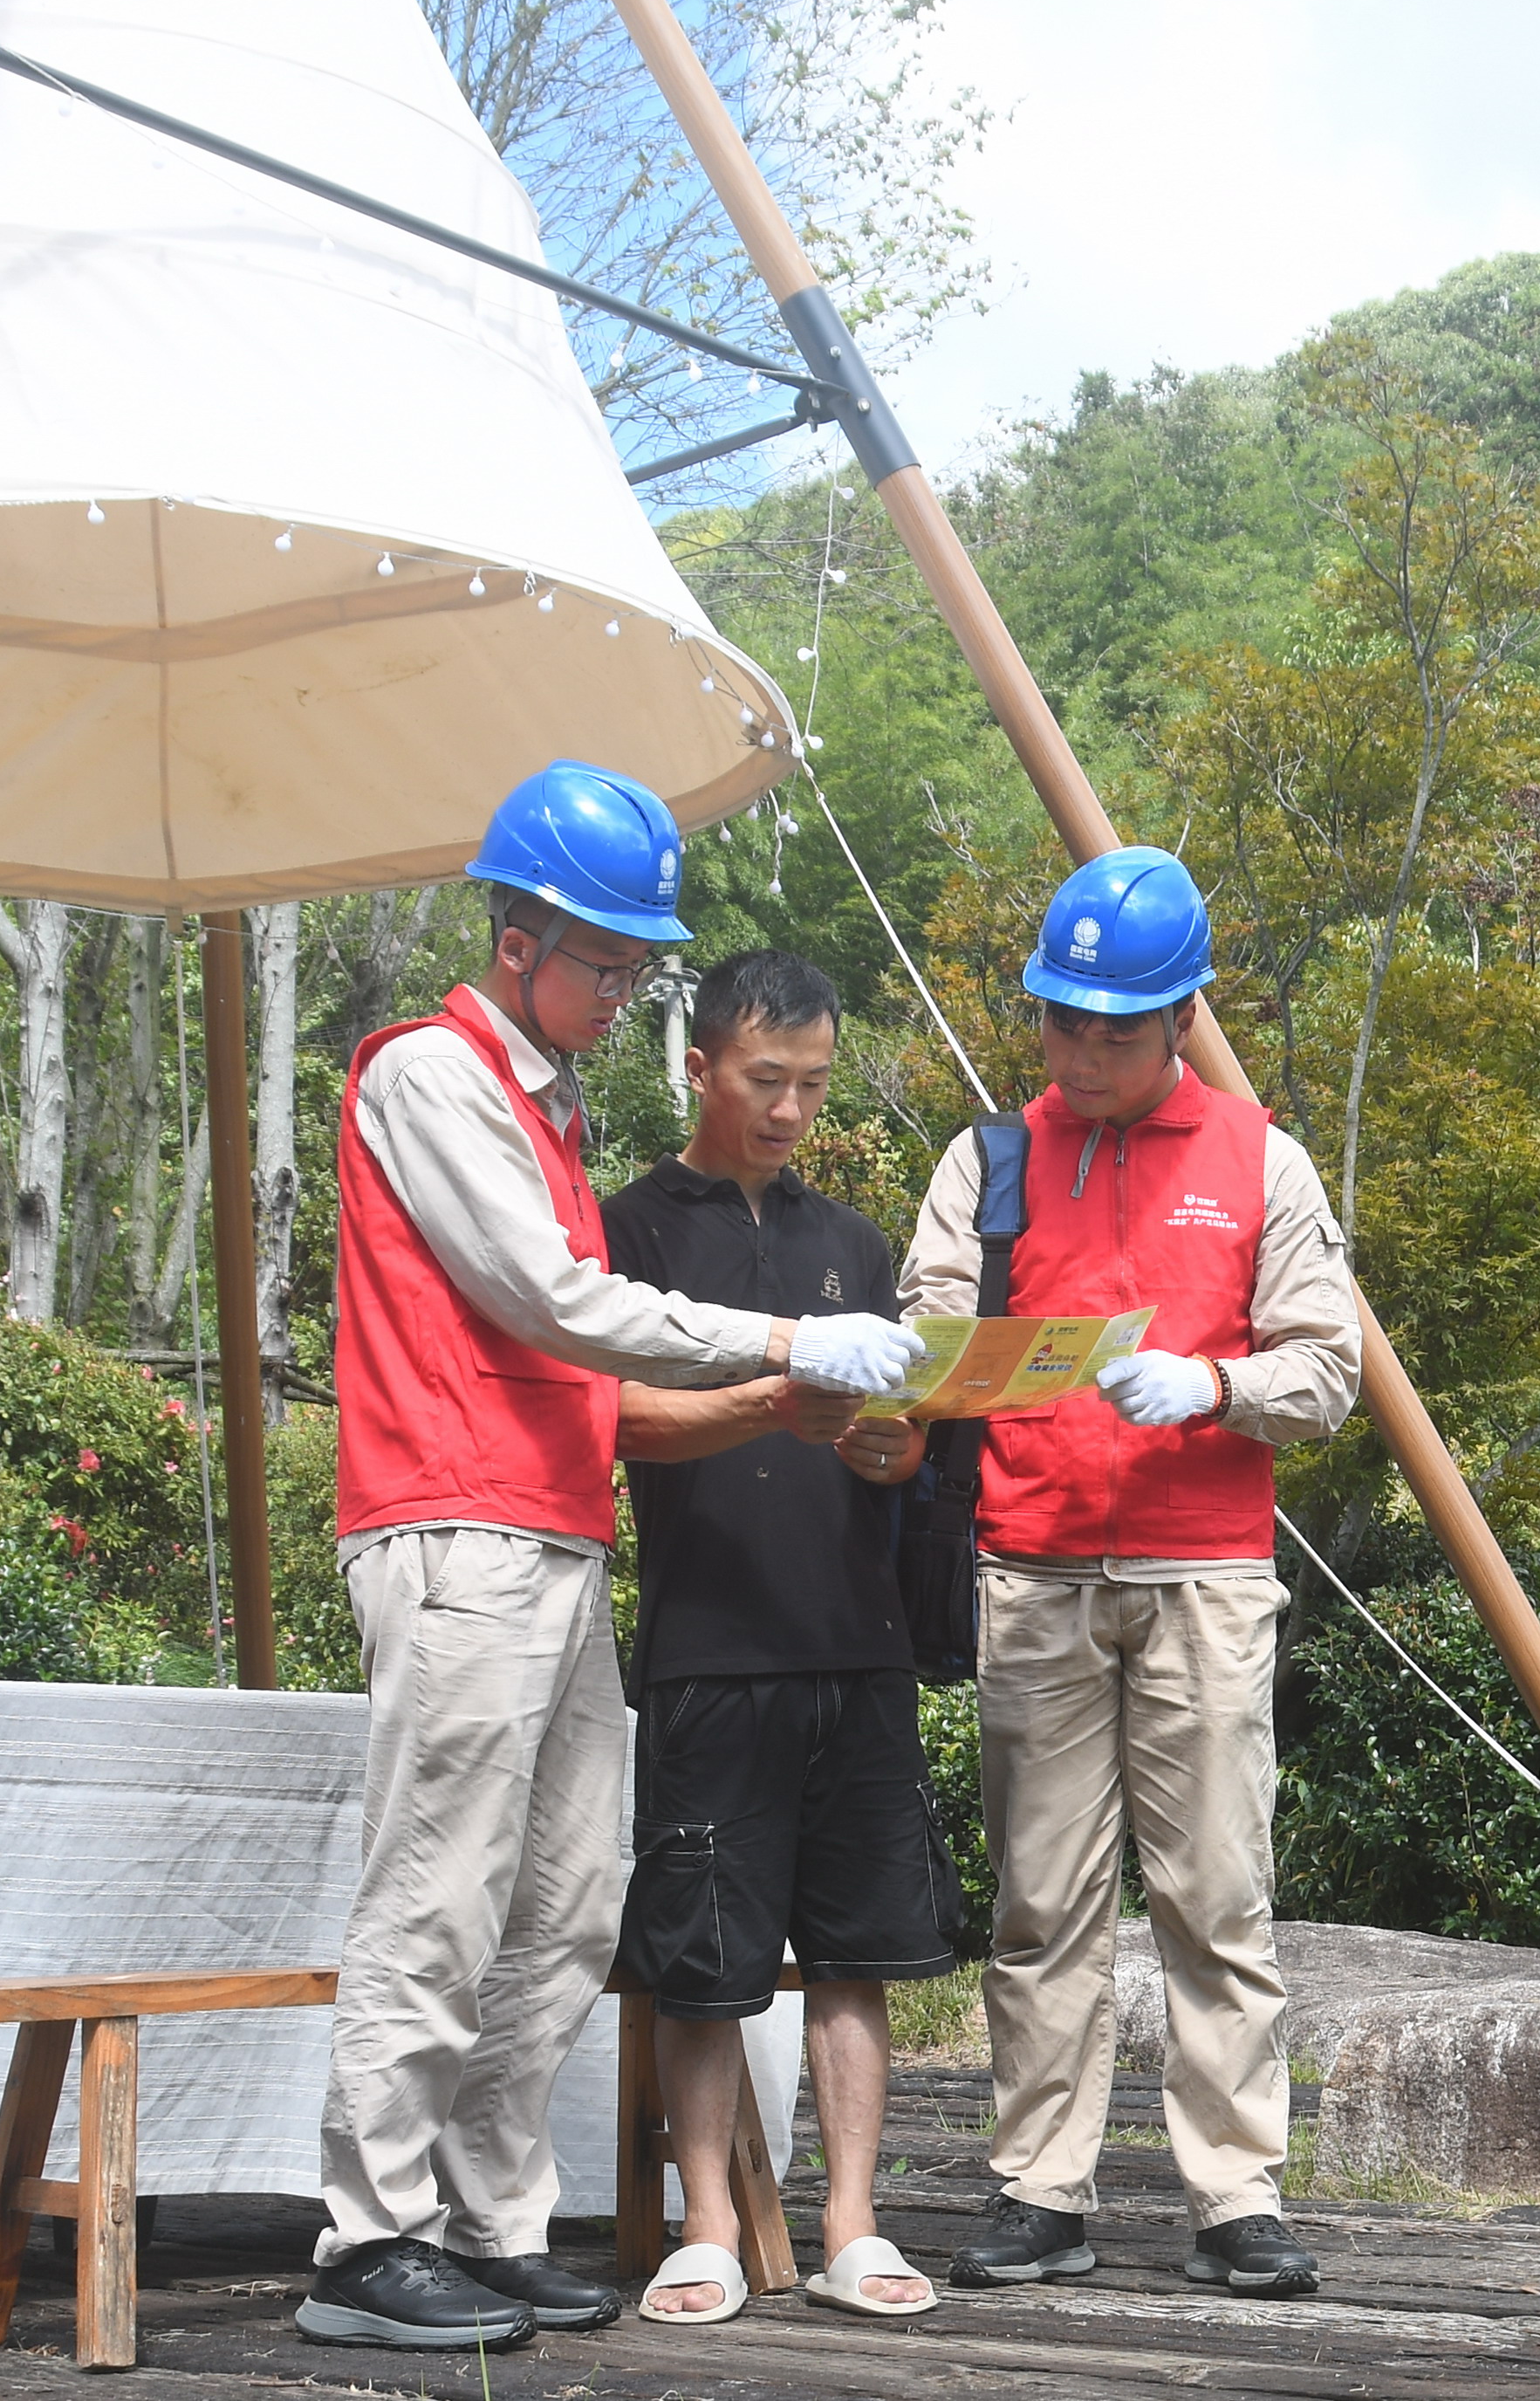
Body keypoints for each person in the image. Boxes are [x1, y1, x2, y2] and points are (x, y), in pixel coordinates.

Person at [300, 763, 922, 2350]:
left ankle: (494, 2221)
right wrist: (787, 1334)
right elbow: (553, 1303)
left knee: (569, 1905)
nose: (621, 989)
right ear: (520, 938)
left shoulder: (548, 1109)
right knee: (438, 1893)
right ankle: (369, 2236)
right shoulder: (430, 1075)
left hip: (557, 1529)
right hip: (454, 1520)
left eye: (640, 968)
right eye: (605, 963)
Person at [907, 847, 1359, 2299]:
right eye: (1063, 1021)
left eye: (1119, 1025)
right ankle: (1041, 2184)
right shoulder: (988, 1161)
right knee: (1040, 1899)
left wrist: (1216, 1385)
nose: (1086, 1050)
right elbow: (922, 1347)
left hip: (1202, 1571)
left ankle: (1234, 2190)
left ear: (1182, 1018)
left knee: (1216, 1892)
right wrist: (943, 1374)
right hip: (1032, 1569)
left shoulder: (1257, 1158)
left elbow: (1328, 1368)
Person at [600, 949, 952, 2326]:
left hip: (854, 1639)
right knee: (703, 1952)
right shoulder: (627, 1229)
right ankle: (702, 2225)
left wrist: (886, 1441)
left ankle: (853, 2222)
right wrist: (776, 1385)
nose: (793, 1108)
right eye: (766, 1080)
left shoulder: (855, 1245)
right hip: (705, 1640)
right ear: (697, 1066)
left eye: (811, 1082)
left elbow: (897, 1446)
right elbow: (612, 1416)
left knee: (856, 1947)